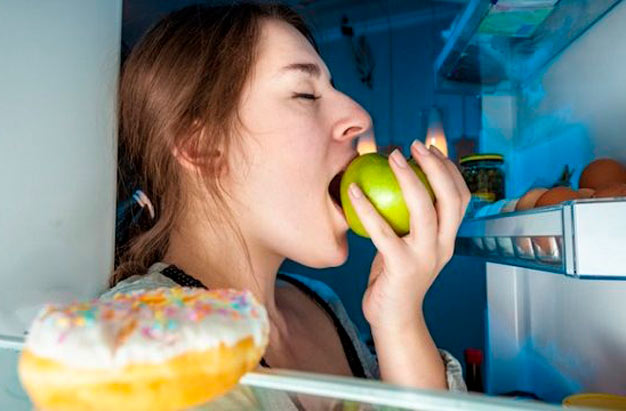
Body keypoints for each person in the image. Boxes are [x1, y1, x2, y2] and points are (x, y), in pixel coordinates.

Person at [105, 2, 470, 396]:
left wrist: (399, 319)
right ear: (204, 147)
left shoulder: (319, 304)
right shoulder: (146, 342)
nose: (361, 116)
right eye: (305, 94)